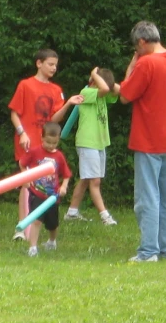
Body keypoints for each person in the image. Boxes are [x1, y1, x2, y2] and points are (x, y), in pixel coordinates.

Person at [114, 21, 166, 262]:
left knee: (147, 197)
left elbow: (125, 95)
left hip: (148, 141)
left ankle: (148, 251)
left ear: (141, 42)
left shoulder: (146, 62)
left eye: (135, 49)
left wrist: (132, 65)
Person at [8, 49, 82, 241]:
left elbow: (54, 120)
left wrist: (68, 104)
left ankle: (39, 225)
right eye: (50, 64)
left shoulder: (56, 90)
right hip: (27, 142)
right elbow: (15, 113)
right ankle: (21, 228)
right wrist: (21, 133)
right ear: (39, 63)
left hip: (45, 145)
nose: (54, 68)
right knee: (27, 183)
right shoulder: (25, 85)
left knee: (43, 185)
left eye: (56, 65)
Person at [63, 67, 119, 225]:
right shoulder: (86, 92)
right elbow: (106, 88)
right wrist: (94, 75)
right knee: (95, 181)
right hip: (88, 143)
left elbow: (117, 89)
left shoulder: (102, 95)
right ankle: (105, 216)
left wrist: (105, 79)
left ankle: (72, 212)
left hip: (98, 143)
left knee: (86, 180)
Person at [18, 122, 72, 257]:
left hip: (53, 197)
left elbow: (66, 174)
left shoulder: (59, 156)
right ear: (42, 138)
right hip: (36, 193)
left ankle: (52, 241)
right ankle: (33, 248)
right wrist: (26, 178)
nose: (51, 145)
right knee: (36, 220)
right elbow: (22, 163)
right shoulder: (35, 152)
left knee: (52, 224)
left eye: (54, 143)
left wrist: (64, 186)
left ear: (58, 140)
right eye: (48, 142)